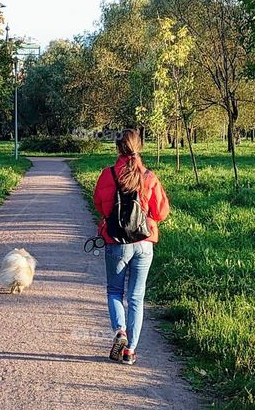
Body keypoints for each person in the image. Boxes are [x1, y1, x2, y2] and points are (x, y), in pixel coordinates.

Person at [93, 129, 170, 365]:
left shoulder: (107, 175)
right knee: (136, 297)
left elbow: (100, 205)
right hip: (144, 243)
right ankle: (130, 352)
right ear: (140, 147)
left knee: (115, 291)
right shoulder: (149, 177)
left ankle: (120, 331)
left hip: (116, 242)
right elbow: (161, 212)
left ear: (118, 148)